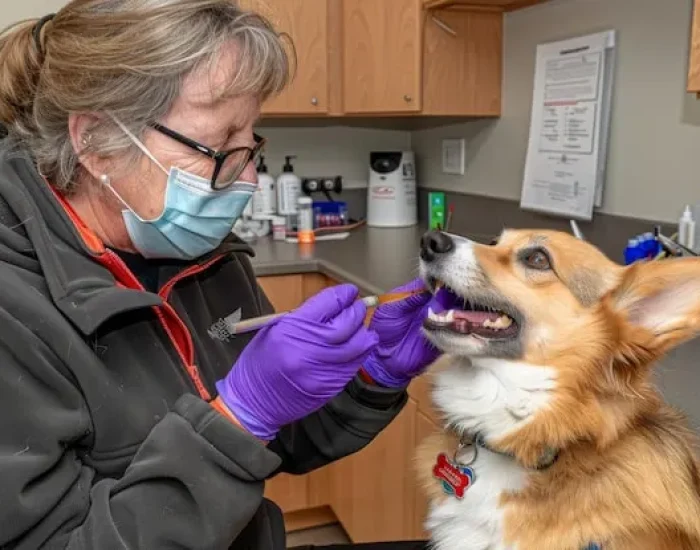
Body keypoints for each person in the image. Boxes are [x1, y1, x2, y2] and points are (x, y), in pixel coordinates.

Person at [0, 2, 440, 549]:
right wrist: (238, 416)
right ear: (95, 141)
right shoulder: (14, 307)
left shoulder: (203, 254)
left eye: (251, 143)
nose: (250, 179)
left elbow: (280, 442)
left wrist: (370, 377)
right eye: (220, 146)